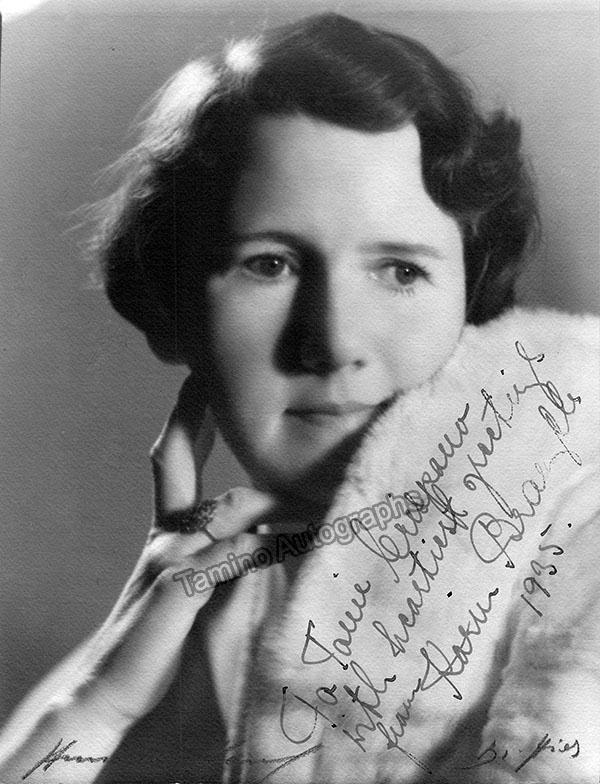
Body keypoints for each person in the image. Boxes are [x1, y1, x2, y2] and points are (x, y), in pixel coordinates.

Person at [1, 12, 598, 784]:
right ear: (177, 308)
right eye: (270, 264)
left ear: (473, 302)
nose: (333, 340)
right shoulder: (210, 604)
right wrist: (100, 700)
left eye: (400, 271)